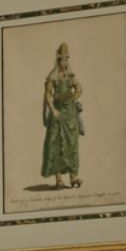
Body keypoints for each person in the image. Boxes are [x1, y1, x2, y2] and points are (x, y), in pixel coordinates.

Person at [40, 43, 83, 189]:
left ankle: (73, 177)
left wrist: (73, 98)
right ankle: (58, 179)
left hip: (70, 113)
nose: (65, 62)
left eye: (67, 59)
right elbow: (48, 95)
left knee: (72, 143)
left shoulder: (70, 74)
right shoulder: (53, 76)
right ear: (58, 60)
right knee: (57, 144)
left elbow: (78, 87)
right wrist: (53, 109)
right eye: (63, 59)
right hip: (58, 113)